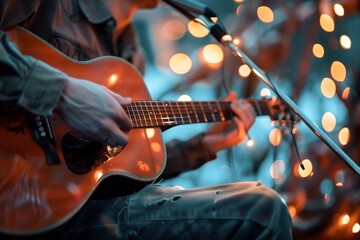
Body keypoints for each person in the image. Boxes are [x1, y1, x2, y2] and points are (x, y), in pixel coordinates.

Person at [0, 0, 293, 239]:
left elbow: (115, 174)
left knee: (258, 203)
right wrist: (62, 93)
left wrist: (201, 146)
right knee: (262, 212)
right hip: (15, 204)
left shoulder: (131, 57)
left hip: (65, 211)